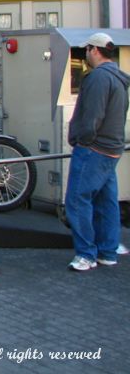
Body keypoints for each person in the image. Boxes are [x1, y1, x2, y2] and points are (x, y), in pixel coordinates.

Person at [65, 32, 129, 271]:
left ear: (94, 50)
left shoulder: (97, 79)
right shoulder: (120, 79)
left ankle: (86, 255)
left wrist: (82, 140)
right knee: (106, 201)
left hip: (93, 149)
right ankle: (108, 251)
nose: (85, 55)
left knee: (77, 200)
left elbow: (92, 116)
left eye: (86, 50)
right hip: (112, 149)